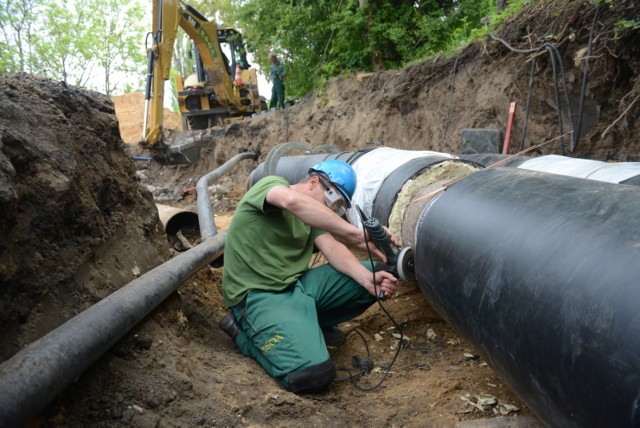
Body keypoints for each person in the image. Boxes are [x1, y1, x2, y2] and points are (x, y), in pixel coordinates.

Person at [219, 159, 399, 393]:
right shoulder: (271, 185)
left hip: (297, 288)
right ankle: (242, 334)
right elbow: (291, 200)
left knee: (375, 273)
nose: (334, 210)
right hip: (259, 296)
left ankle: (307, 327)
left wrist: (366, 279)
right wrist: (355, 234)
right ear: (314, 181)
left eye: (340, 208)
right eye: (334, 201)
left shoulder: (313, 218)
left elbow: (333, 249)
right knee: (314, 374)